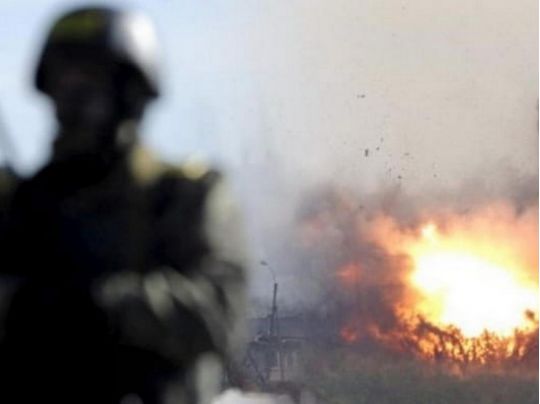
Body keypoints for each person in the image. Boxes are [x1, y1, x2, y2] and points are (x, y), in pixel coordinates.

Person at [0, 6, 247, 404]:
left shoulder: (180, 196)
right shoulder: (20, 205)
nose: (74, 98)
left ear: (129, 94)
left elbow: (218, 314)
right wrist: (23, 304)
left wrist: (102, 304)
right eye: (64, 81)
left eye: (90, 81)